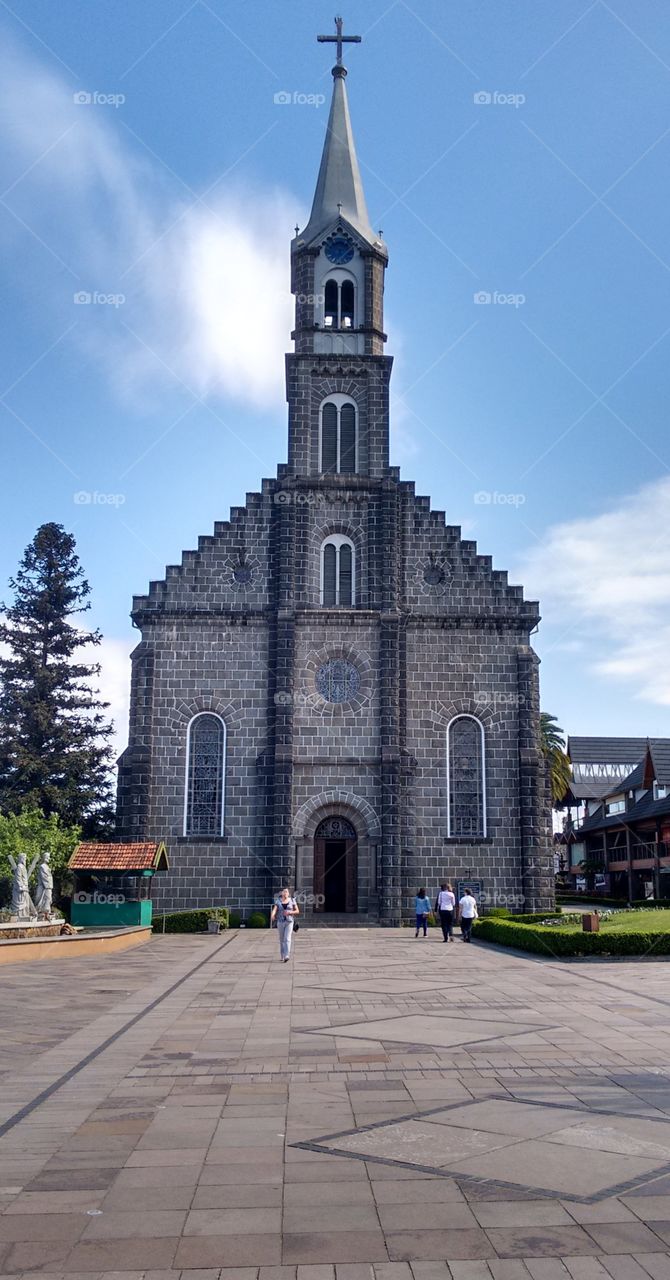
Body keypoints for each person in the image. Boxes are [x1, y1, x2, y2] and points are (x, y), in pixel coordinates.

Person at [271, 886, 300, 962]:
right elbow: (275, 909)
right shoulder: (278, 901)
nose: (285, 893)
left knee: (287, 938)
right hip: (280, 922)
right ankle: (282, 955)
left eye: (287, 891)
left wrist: (290, 912)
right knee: (282, 939)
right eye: (284, 891)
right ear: (282, 893)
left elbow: (297, 911)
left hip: (289, 922)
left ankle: (287, 955)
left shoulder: (292, 900)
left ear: (288, 893)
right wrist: (273, 915)